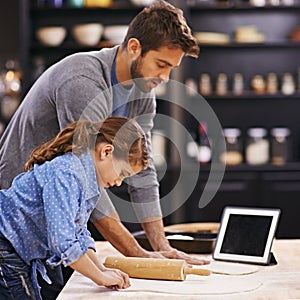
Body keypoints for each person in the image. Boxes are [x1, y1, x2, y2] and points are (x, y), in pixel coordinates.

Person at [0, 0, 209, 298]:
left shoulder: (142, 94)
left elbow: (143, 171)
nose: (165, 78)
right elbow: (85, 176)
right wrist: (138, 254)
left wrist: (161, 248)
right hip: (19, 213)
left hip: (51, 220)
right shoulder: (82, 80)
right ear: (134, 47)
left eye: (172, 69)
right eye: (161, 65)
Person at [0, 116, 150, 299]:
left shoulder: (88, 180)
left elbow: (78, 233)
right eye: (123, 173)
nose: (119, 182)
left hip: (15, 249)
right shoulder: (68, 174)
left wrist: (101, 268)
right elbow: (64, 242)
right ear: (106, 152)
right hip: (5, 247)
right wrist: (100, 278)